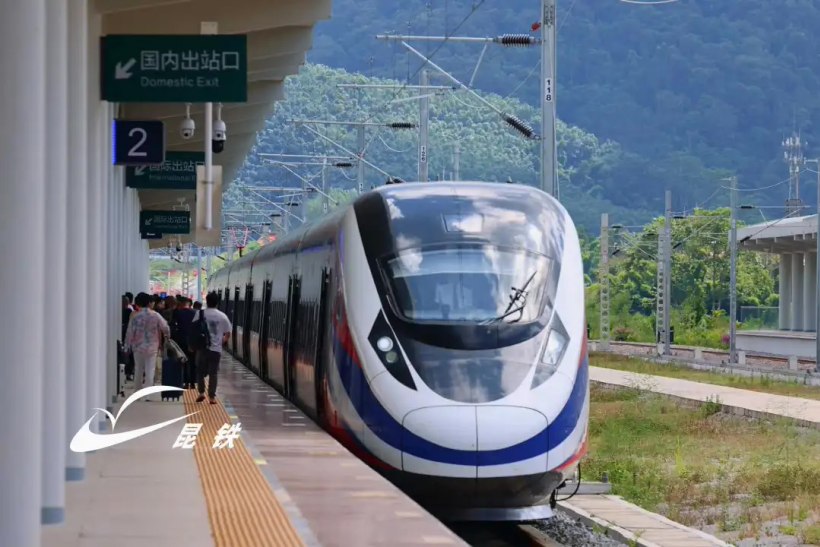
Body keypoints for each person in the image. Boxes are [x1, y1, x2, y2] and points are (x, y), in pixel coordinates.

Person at [124, 292, 170, 400]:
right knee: (150, 370)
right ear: (149, 303)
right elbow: (165, 327)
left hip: (138, 346)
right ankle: (147, 394)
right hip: (152, 346)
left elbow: (130, 332)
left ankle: (137, 392)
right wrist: (167, 336)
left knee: (138, 369)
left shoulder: (135, 316)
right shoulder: (155, 315)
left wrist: (127, 345)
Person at [195, 291, 231, 404]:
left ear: (207, 301)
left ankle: (201, 393)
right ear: (217, 303)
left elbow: (193, 329)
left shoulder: (200, 314)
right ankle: (212, 397)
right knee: (213, 373)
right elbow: (228, 333)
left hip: (202, 348)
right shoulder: (222, 316)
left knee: (200, 371)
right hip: (216, 349)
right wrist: (222, 341)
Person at [171, 296, 197, 388]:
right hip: (193, 341)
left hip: (181, 340)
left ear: (180, 304)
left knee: (183, 361)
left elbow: (173, 326)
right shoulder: (195, 313)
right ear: (188, 304)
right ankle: (193, 383)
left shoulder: (177, 313)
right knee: (193, 362)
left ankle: (185, 382)